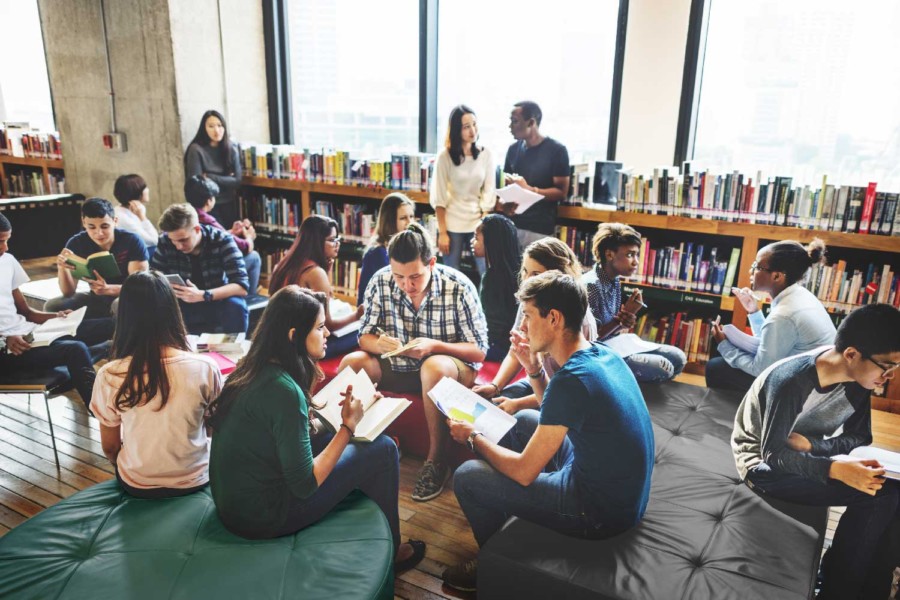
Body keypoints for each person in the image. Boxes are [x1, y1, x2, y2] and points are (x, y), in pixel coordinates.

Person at [442, 271, 654, 592]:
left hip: (598, 512)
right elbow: (553, 406)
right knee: (524, 420)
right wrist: (533, 369)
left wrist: (473, 437)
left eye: (527, 316)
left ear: (553, 318)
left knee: (468, 475)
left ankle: (497, 562)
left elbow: (526, 472)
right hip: (622, 496)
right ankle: (513, 536)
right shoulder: (599, 353)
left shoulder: (572, 379)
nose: (521, 327)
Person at [207, 286, 426, 572]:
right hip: (264, 518)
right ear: (293, 335)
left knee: (333, 431)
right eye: (320, 327)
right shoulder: (284, 390)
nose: (327, 334)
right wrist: (348, 427)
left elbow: (283, 433)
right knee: (383, 449)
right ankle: (393, 552)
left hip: (232, 506)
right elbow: (304, 484)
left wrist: (345, 417)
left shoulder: (249, 368)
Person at [731, 303, 900, 600]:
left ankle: (873, 584)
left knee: (894, 488)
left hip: (804, 453)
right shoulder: (792, 381)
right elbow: (774, 455)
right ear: (851, 354)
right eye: (887, 367)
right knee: (879, 493)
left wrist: (814, 446)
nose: (890, 377)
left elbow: (861, 435)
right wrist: (836, 469)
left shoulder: (858, 378)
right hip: (761, 465)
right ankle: (839, 588)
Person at [339, 222, 488, 502]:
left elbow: (479, 351)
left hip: (448, 369)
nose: (407, 285)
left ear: (431, 263)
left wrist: (434, 347)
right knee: (352, 362)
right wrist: (378, 344)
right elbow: (364, 337)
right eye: (399, 277)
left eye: (415, 277)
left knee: (433, 366)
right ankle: (360, 443)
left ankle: (436, 461)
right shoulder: (380, 280)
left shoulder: (458, 286)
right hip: (398, 366)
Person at [90, 271, 221, 498]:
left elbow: (110, 448)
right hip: (196, 477)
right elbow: (212, 429)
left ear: (124, 316)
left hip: (137, 481)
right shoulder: (205, 367)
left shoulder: (109, 374)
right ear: (172, 311)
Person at [0, 212, 114, 410]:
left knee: (112, 326)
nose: (6, 247)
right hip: (9, 352)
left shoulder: (7, 261)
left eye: (7, 240)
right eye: (0, 241)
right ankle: (103, 413)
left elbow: (27, 313)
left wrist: (57, 317)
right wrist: (4, 339)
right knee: (75, 349)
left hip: (30, 335)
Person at [473, 237, 597, 414]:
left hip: (566, 395)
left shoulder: (580, 320)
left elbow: (568, 391)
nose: (527, 281)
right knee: (494, 405)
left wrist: (518, 404)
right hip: (540, 378)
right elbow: (515, 351)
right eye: (525, 272)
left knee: (517, 415)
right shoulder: (532, 301)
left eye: (536, 275)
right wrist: (495, 386)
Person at [709, 238, 836, 394]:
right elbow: (771, 343)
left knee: (715, 367)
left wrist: (723, 345)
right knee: (724, 358)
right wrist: (753, 311)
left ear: (777, 276)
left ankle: (747, 416)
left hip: (800, 390)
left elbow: (760, 369)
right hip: (812, 378)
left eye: (757, 266)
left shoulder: (784, 314)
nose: (751, 271)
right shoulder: (799, 294)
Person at [583, 223, 686, 382]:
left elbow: (614, 326)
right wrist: (623, 317)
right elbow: (589, 339)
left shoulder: (614, 279)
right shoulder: (591, 286)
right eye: (630, 255)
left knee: (678, 358)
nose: (636, 262)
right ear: (609, 254)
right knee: (662, 367)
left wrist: (624, 321)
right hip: (597, 353)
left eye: (636, 255)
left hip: (616, 343)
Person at [269, 215, 364, 358]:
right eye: (332, 240)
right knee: (362, 333)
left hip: (280, 339)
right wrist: (357, 315)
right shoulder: (315, 273)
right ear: (317, 242)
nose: (337, 244)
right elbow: (329, 326)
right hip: (302, 346)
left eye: (338, 239)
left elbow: (327, 297)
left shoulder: (285, 263)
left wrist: (327, 270)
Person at [151, 203, 249, 334]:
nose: (178, 246)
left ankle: (233, 350)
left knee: (236, 306)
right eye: (174, 241)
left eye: (183, 240)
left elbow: (241, 287)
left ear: (197, 229)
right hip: (181, 302)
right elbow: (153, 277)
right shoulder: (164, 241)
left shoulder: (222, 240)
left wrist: (203, 295)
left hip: (215, 299)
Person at [47, 197, 149, 319]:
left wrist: (108, 289)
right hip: (96, 298)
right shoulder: (76, 243)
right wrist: (62, 268)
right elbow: (68, 292)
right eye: (91, 227)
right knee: (53, 306)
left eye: (105, 226)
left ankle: (103, 330)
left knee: (118, 305)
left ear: (115, 221)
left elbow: (141, 287)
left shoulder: (132, 241)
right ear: (84, 223)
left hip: (126, 297)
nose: (99, 233)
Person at [430, 105, 495, 273]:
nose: (472, 130)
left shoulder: (486, 154)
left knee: (486, 272)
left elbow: (489, 192)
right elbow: (439, 197)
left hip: (477, 222)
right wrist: (442, 233)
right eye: (466, 127)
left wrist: (484, 225)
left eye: (474, 124)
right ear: (457, 130)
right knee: (451, 273)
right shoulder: (444, 157)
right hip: (452, 224)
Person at [500, 101, 570, 250]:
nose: (510, 126)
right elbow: (507, 187)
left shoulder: (557, 150)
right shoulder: (513, 150)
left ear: (531, 122)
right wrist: (505, 203)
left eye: (515, 121)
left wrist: (530, 190)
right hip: (513, 225)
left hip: (539, 228)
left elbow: (561, 192)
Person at [184, 175, 261, 296]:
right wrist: (249, 237)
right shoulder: (207, 219)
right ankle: (250, 299)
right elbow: (244, 247)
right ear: (209, 200)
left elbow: (213, 237)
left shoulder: (187, 215)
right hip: (215, 270)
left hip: (194, 271)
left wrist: (231, 232)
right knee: (254, 257)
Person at [471, 214, 520, 361]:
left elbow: (492, 327)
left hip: (498, 348)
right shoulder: (516, 270)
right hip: (510, 345)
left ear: (491, 242)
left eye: (476, 238)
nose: (472, 242)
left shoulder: (493, 278)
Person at [184, 109, 242, 226]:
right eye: (211, 126)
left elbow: (237, 181)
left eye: (220, 125)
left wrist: (210, 176)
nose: (216, 130)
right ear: (204, 128)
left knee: (233, 235)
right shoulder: (196, 149)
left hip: (229, 201)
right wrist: (226, 179)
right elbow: (198, 185)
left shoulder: (231, 148)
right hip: (207, 205)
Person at [357, 192, 416, 305]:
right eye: (403, 218)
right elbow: (396, 292)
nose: (410, 223)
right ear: (390, 221)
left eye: (412, 216)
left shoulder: (403, 245)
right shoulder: (378, 252)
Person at [112, 174, 158, 254]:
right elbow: (154, 241)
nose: (148, 190)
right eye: (145, 187)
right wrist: (142, 217)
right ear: (137, 192)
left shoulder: (138, 208)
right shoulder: (122, 217)